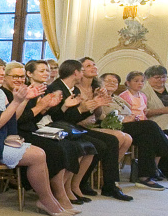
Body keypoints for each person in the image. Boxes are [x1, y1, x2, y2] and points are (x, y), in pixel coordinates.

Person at [0, 57, 74, 216]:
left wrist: (25, 99)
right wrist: (17, 101)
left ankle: (48, 199)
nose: (2, 72)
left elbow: (13, 117)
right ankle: (47, 200)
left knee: (40, 152)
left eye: (3, 69)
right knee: (37, 155)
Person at [2, 64, 89, 209]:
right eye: (15, 76)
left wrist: (46, 108)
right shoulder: (4, 93)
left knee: (70, 146)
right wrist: (41, 107)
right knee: (57, 149)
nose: (19, 79)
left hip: (29, 130)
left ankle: (59, 190)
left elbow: (32, 119)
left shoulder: (24, 90)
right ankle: (56, 193)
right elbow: (16, 120)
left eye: (21, 76)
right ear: (5, 77)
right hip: (14, 134)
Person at [45, 60, 132, 201]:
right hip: (61, 127)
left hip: (73, 126)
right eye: (83, 69)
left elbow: (77, 116)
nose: (84, 72)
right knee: (98, 144)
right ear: (76, 73)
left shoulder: (74, 90)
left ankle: (106, 185)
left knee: (110, 141)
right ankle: (74, 185)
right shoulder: (56, 88)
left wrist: (93, 105)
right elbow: (59, 117)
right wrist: (83, 108)